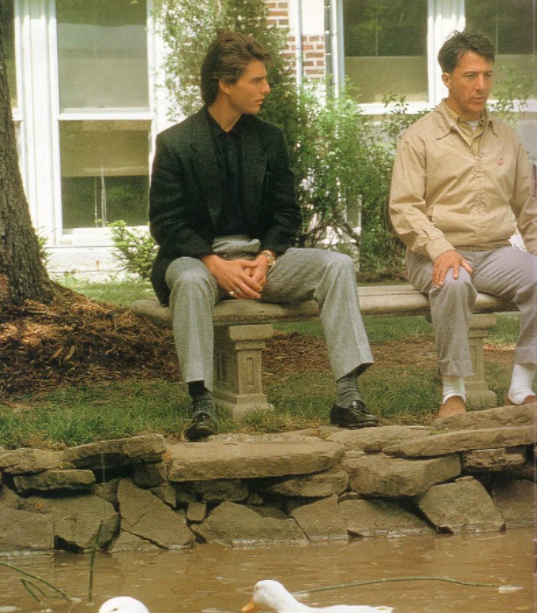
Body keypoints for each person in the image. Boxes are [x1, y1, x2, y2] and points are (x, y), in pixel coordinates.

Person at [149, 31, 377, 440]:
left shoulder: (269, 139)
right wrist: (213, 263)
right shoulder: (176, 143)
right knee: (187, 280)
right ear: (225, 84)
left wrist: (268, 256)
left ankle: (347, 396)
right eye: (256, 80)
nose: (266, 89)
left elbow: (287, 212)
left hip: (261, 260)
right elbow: (165, 223)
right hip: (199, 261)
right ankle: (202, 402)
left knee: (337, 265)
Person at [390, 30, 537, 418]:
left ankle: (521, 386)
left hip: (495, 253)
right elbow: (404, 208)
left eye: (487, 75)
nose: (482, 85)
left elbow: (528, 207)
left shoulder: (506, 137)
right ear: (447, 78)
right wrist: (441, 249)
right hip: (433, 253)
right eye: (471, 75)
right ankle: (453, 392)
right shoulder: (420, 137)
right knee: (454, 282)